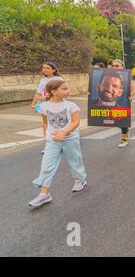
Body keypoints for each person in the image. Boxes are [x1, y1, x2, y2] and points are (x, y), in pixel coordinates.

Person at [28, 80, 87, 208]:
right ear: (54, 92)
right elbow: (45, 122)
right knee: (47, 165)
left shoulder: (71, 105)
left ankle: (80, 179)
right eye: (65, 89)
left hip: (70, 138)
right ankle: (44, 194)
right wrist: (46, 137)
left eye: (67, 88)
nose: (68, 91)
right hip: (53, 140)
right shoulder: (44, 106)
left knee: (74, 160)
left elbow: (76, 122)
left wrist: (64, 132)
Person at [31, 62, 65, 154]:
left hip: (56, 103)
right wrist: (33, 103)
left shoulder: (58, 79)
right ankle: (48, 145)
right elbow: (38, 93)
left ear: (54, 70)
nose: (45, 70)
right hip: (44, 104)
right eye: (43, 68)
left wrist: (51, 97)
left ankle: (60, 144)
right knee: (45, 123)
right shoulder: (42, 80)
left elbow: (63, 91)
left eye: (47, 68)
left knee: (56, 123)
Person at [110, 59, 135, 148]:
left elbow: (133, 88)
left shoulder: (126, 76)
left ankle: (124, 138)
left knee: (121, 120)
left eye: (117, 66)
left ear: (122, 67)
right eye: (113, 66)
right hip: (113, 102)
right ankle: (126, 129)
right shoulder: (109, 76)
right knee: (115, 120)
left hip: (124, 101)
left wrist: (131, 96)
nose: (114, 67)